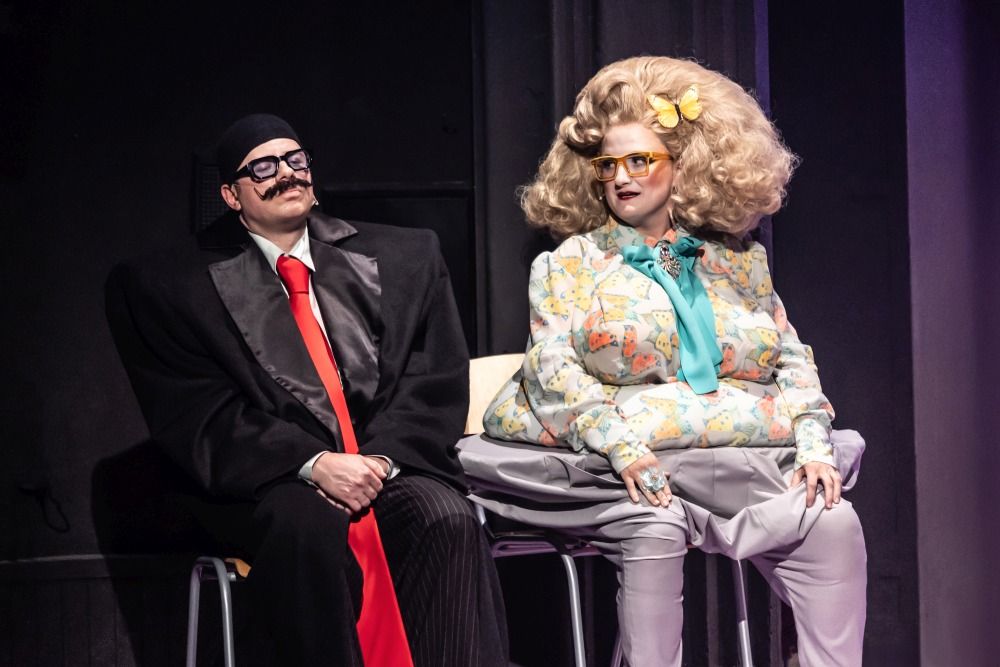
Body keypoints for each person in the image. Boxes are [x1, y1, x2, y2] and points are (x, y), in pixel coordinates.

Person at [458, 57, 866, 666]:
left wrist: (813, 446)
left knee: (832, 521)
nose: (621, 178)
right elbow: (553, 371)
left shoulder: (738, 262)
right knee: (655, 523)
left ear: (686, 165)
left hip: (739, 461)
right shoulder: (568, 264)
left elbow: (790, 360)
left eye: (640, 161)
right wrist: (624, 447)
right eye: (608, 165)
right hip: (626, 468)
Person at [106, 114, 507, 667]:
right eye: (263, 167)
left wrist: (380, 462)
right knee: (311, 532)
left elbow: (431, 380)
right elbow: (201, 414)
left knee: (445, 517)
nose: (286, 174)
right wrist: (315, 464)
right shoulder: (170, 286)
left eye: (296, 160)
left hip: (384, 462)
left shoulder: (406, 257)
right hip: (271, 479)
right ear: (231, 195)